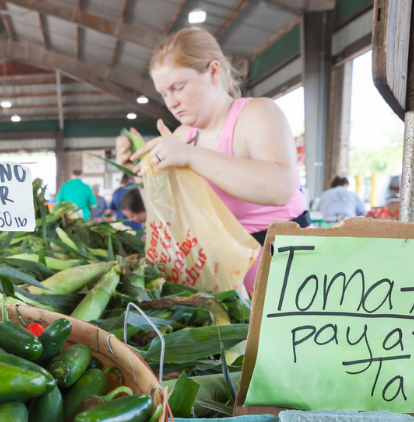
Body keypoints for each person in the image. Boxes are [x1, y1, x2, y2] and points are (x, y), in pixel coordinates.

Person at [126, 27, 309, 292]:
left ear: (213, 71)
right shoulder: (181, 135)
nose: (172, 103)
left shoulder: (257, 114)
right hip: (222, 279)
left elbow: (280, 187)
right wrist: (145, 173)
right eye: (164, 94)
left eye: (178, 87)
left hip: (286, 272)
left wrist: (189, 155)